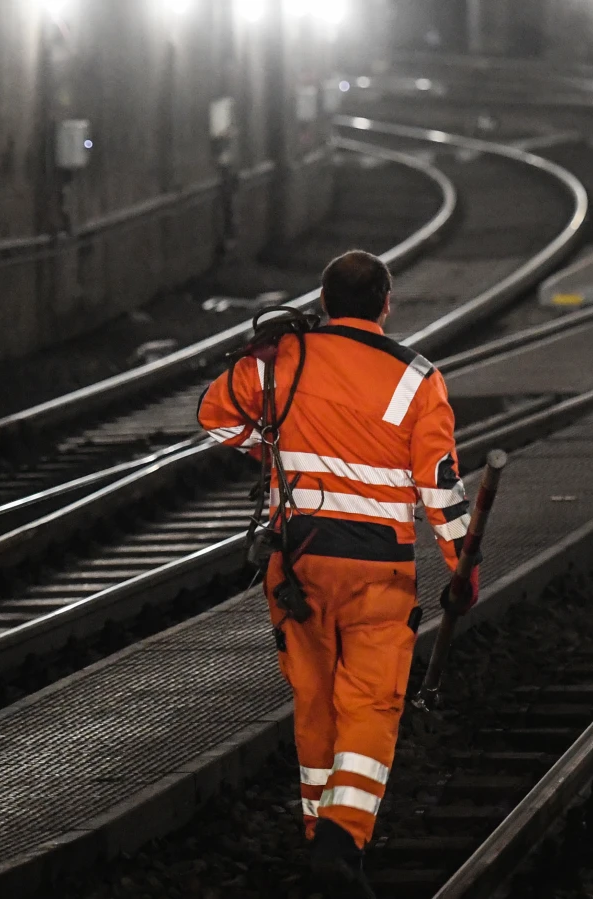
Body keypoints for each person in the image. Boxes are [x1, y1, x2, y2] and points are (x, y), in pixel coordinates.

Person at [197, 250, 477, 898]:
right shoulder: (416, 377)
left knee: (316, 700)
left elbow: (215, 417)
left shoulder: (280, 362)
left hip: (297, 562)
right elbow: (440, 488)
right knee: (371, 702)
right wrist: (464, 565)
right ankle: (341, 836)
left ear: (323, 302)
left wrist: (273, 449)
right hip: (378, 568)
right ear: (386, 303)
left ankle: (319, 832)